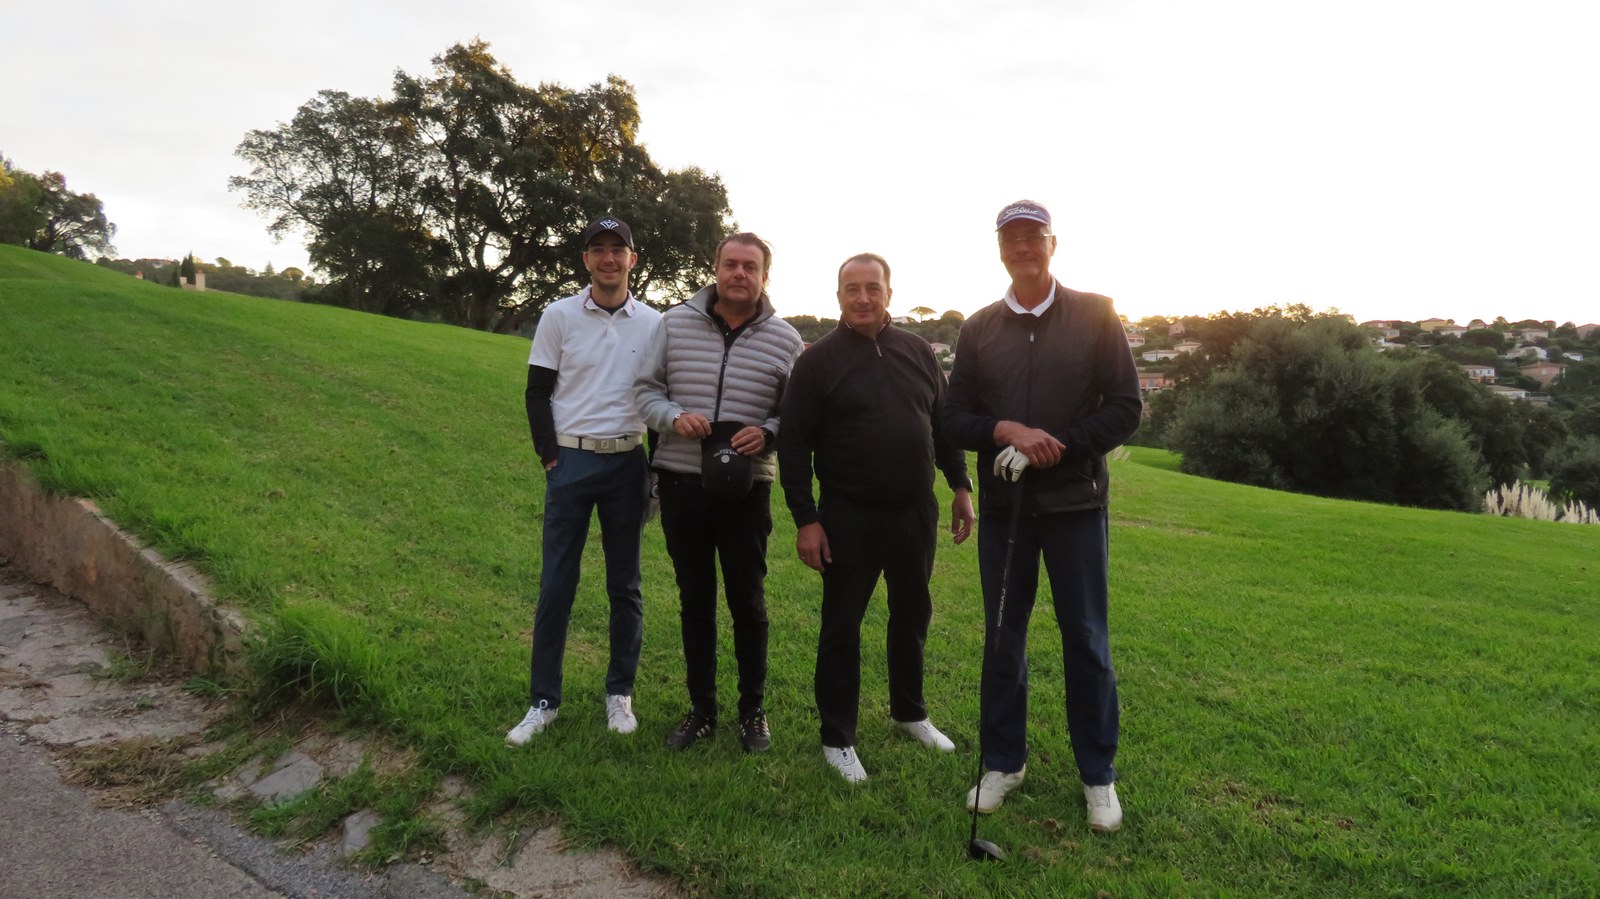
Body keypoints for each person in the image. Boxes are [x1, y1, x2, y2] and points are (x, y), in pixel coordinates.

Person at [943, 200, 1142, 831]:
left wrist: (1056, 445)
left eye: (1034, 237)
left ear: (1053, 244)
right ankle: (1004, 762)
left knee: (1086, 640)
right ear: (1000, 248)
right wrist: (1008, 431)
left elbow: (1126, 408)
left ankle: (1098, 775)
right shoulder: (979, 328)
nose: (1023, 247)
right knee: (1004, 638)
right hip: (1006, 512)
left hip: (1076, 506)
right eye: (1012, 239)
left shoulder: (1096, 313)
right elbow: (954, 418)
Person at [778, 253, 975, 783]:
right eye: (852, 289)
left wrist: (960, 485)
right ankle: (838, 738)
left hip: (915, 512)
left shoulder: (918, 350)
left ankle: (909, 712)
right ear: (838, 296)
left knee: (912, 615)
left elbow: (943, 425)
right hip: (847, 516)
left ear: (889, 292)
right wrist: (806, 519)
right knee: (842, 626)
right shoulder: (817, 362)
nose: (863, 298)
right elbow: (794, 446)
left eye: (873, 287)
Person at [634, 232, 804, 753]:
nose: (739, 274)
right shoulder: (674, 323)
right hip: (682, 482)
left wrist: (769, 433)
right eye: (731, 264)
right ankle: (701, 709)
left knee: (748, 602)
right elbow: (645, 390)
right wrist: (673, 417)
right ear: (715, 268)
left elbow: (797, 415)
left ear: (765, 276)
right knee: (695, 600)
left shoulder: (786, 340)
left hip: (746, 490)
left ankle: (753, 711)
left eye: (750, 266)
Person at [506, 215, 660, 746]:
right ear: (586, 259)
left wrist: (655, 471)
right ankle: (543, 701)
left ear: (632, 259)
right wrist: (551, 456)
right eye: (599, 249)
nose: (609, 258)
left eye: (619, 249)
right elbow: (537, 391)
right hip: (571, 463)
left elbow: (660, 399)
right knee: (556, 585)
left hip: (628, 463)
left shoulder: (654, 323)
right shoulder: (559, 315)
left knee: (625, 586)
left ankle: (620, 694)